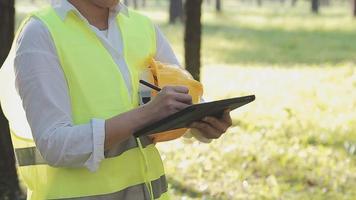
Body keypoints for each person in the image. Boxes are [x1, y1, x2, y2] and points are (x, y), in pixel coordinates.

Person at [0, 0, 232, 199]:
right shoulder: (40, 34)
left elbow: (184, 99)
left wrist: (203, 123)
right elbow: (55, 145)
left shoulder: (143, 27)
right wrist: (146, 114)